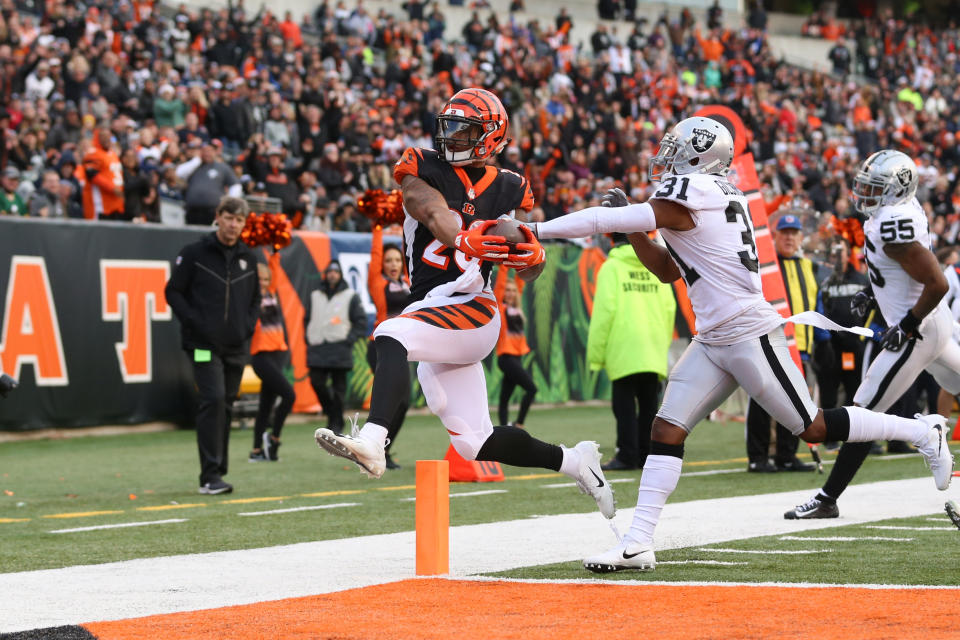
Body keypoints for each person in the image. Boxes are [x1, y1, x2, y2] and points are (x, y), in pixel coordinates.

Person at [526, 118, 954, 572]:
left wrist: (533, 229)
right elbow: (667, 270)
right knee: (666, 430)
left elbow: (601, 218)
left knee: (811, 427)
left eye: (675, 148)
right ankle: (637, 544)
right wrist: (635, 229)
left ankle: (921, 431)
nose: (665, 154)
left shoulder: (698, 192)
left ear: (698, 155)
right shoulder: (706, 195)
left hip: (749, 331)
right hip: (713, 337)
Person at [312, 87, 615, 521]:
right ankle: (575, 461)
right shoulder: (422, 166)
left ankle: (375, 441)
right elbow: (425, 206)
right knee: (475, 443)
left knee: (390, 332)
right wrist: (462, 235)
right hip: (434, 312)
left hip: (472, 306)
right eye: (449, 126)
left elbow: (527, 262)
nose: (451, 136)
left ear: (490, 137)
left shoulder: (510, 187)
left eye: (464, 129)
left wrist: (532, 257)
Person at [783, 150, 960, 519]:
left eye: (874, 187)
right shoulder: (897, 212)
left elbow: (937, 283)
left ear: (898, 189)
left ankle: (827, 498)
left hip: (921, 329)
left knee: (864, 414)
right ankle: (828, 498)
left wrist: (906, 325)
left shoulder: (892, 223)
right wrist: (873, 292)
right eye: (865, 185)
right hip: (935, 323)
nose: (863, 192)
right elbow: (903, 272)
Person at [165, 196, 261, 494]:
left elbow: (255, 300)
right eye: (229, 218)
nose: (234, 225)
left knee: (227, 406)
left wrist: (246, 326)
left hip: (235, 346)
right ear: (218, 217)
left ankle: (218, 471)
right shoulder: (194, 252)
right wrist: (194, 322)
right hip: (203, 344)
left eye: (239, 220)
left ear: (245, 224)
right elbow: (173, 292)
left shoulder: (249, 257)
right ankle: (209, 476)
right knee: (214, 400)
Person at [588, 233, 676, 471]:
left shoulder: (612, 267)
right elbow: (669, 309)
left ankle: (627, 455)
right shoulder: (656, 267)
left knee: (624, 406)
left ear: (613, 240)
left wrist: (596, 356)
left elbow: (604, 313)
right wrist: (661, 344)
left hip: (623, 347)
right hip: (653, 347)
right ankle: (646, 454)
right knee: (649, 406)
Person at [744, 213, 821, 473]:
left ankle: (787, 456)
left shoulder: (808, 267)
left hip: (800, 347)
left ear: (800, 237)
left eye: (793, 232)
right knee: (762, 399)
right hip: (769, 344)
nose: (789, 237)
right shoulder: (764, 267)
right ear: (774, 236)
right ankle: (758, 457)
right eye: (784, 232)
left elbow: (814, 304)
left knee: (796, 403)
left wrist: (821, 340)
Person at [366, 223, 412, 469]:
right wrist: (378, 225)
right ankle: (373, 447)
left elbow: (409, 252)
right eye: (389, 260)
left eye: (397, 260)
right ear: (382, 264)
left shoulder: (407, 281)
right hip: (379, 346)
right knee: (392, 400)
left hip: (401, 347)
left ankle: (382, 449)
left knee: (404, 402)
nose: (394, 264)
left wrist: (407, 223)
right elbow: (375, 257)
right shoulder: (378, 283)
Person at [305, 260, 366, 436]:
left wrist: (349, 339)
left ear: (340, 275)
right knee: (316, 382)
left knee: (339, 390)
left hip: (340, 346)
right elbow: (306, 318)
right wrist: (308, 336)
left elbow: (360, 322)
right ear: (326, 274)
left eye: (336, 272)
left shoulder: (350, 295)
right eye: (329, 271)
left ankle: (336, 423)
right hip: (318, 346)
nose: (332, 274)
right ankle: (332, 414)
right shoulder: (314, 295)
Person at [248, 253, 296, 463]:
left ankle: (257, 451)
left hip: (277, 355)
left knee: (265, 405)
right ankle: (274, 438)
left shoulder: (272, 293)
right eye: (258, 279)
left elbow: (274, 270)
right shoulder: (249, 299)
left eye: (265, 279)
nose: (263, 283)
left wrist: (275, 250)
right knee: (289, 395)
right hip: (260, 356)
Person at [493, 267, 536, 429]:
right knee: (531, 389)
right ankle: (519, 424)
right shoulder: (500, 307)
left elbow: (520, 282)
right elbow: (500, 284)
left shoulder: (516, 308)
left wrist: (520, 263)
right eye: (507, 290)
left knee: (504, 399)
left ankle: (504, 430)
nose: (510, 293)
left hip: (516, 357)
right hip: (506, 358)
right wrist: (504, 265)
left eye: (512, 290)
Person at [177, 142, 242, 226]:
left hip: (213, 211)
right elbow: (179, 173)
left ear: (215, 152)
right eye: (205, 151)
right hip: (192, 210)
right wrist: (196, 160)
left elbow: (235, 185)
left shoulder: (222, 167)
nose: (207, 153)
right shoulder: (194, 166)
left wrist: (229, 204)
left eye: (210, 151)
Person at [77, 128, 124, 220]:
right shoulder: (93, 154)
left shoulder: (112, 154)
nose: (106, 139)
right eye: (103, 136)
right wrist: (113, 188)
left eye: (108, 136)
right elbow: (93, 176)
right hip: (100, 203)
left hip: (114, 202)